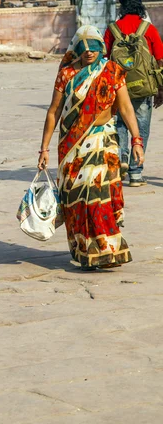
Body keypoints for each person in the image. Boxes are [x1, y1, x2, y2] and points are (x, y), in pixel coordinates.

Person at [38, 25, 144, 271]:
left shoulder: (111, 71)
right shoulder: (66, 75)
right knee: (77, 200)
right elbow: (53, 112)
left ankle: (107, 248)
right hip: (72, 146)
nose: (89, 53)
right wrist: (43, 149)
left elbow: (126, 108)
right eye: (83, 48)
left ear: (101, 48)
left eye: (94, 47)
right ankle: (84, 249)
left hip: (102, 140)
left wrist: (136, 139)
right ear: (76, 49)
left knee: (98, 196)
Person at [104, 0, 163, 186]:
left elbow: (104, 59)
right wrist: (160, 89)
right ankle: (136, 173)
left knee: (120, 123)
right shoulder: (148, 29)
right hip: (144, 87)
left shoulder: (112, 29)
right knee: (142, 127)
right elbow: (160, 60)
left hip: (118, 86)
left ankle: (121, 157)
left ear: (121, 6)